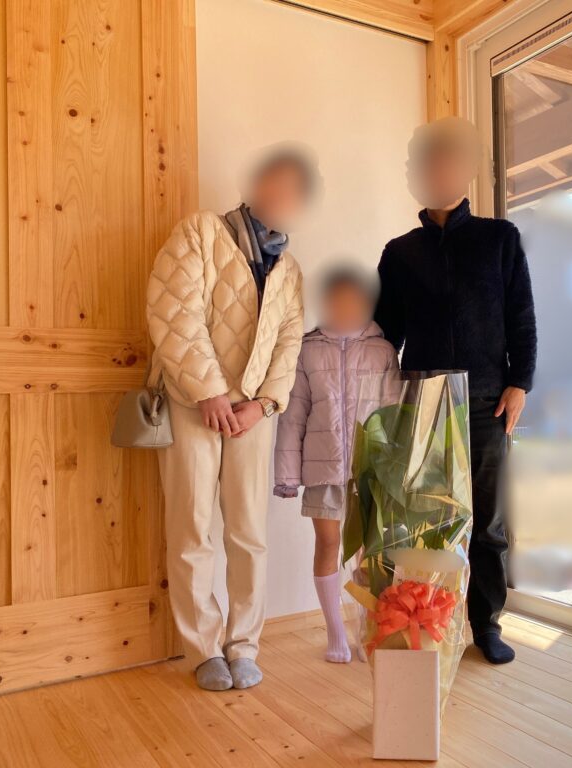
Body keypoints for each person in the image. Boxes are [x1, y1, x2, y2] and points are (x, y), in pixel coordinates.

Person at [145, 146, 318, 691]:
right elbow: (174, 311)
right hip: (191, 402)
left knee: (248, 531)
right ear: (256, 184)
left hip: (252, 414)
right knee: (191, 526)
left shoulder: (290, 270)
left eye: (295, 190)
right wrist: (209, 392)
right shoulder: (199, 232)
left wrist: (264, 404)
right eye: (276, 183)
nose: (283, 196)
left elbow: (289, 343)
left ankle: (244, 645)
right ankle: (203, 648)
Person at [374, 117, 537, 664]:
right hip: (423, 403)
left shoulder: (500, 239)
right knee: (428, 520)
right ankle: (430, 623)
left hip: (489, 401)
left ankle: (486, 624)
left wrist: (521, 383)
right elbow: (383, 334)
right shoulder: (399, 253)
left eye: (448, 161)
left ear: (465, 170)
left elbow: (522, 318)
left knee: (489, 521)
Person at [272, 266, 398, 662]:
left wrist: (395, 471)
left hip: (370, 470)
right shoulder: (306, 350)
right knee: (328, 543)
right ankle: (335, 633)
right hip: (322, 470)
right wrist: (287, 475)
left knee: (368, 553)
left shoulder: (382, 350)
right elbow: (293, 415)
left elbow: (394, 414)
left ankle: (367, 630)